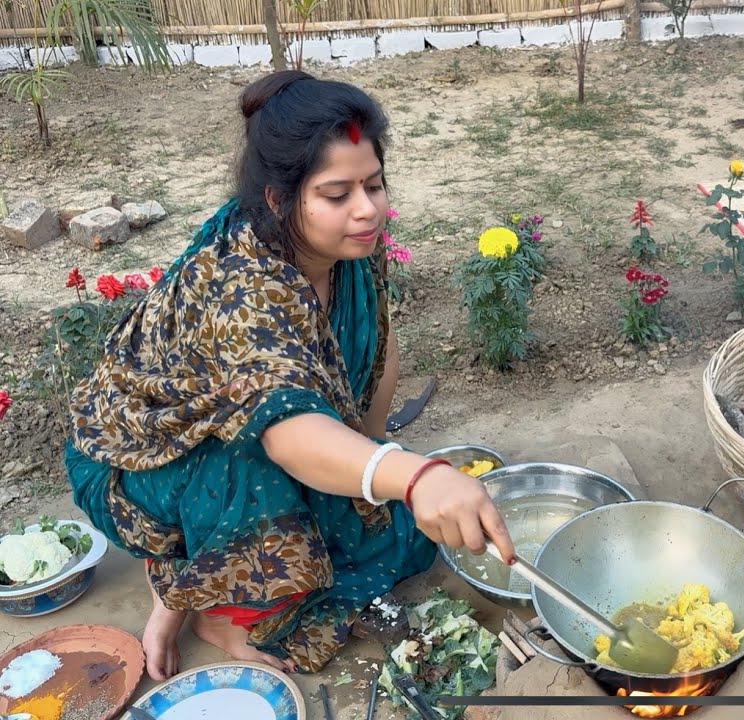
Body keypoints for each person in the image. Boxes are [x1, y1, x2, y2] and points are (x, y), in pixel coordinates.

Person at [63, 70, 516, 682]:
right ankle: (192, 599)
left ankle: (212, 574)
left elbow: (376, 348)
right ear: (279, 200)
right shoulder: (242, 282)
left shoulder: (344, 244)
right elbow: (283, 430)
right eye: (337, 194)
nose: (367, 209)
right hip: (149, 459)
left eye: (375, 184)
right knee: (264, 480)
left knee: (393, 533)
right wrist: (412, 475)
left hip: (267, 426)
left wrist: (373, 465)